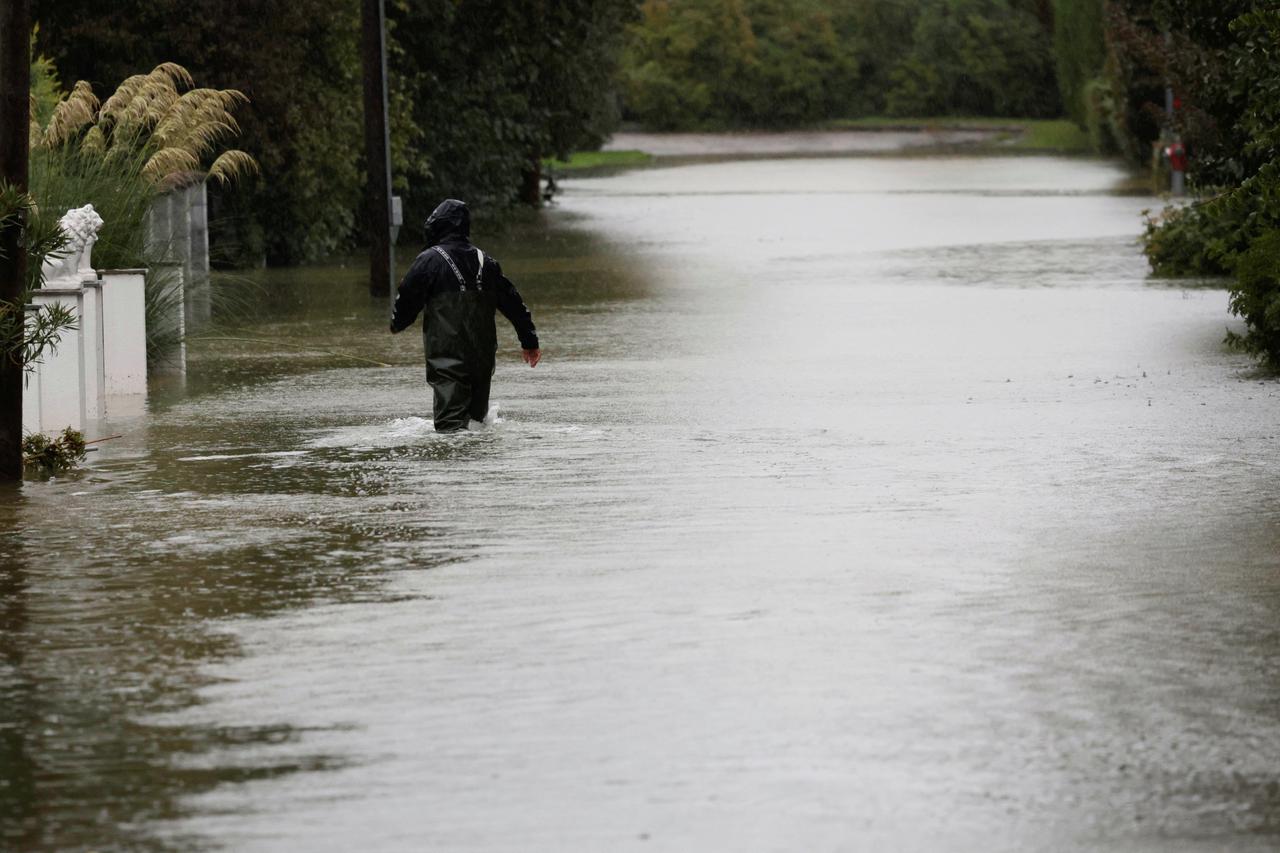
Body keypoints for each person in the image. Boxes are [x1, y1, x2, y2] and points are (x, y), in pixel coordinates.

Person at [390, 199, 541, 432]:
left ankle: (456, 468)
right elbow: (513, 302)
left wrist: (397, 323)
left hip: (447, 359)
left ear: (437, 227)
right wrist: (529, 341)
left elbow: (407, 297)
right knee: (477, 424)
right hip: (483, 359)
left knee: (450, 430)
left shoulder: (429, 261)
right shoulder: (486, 262)